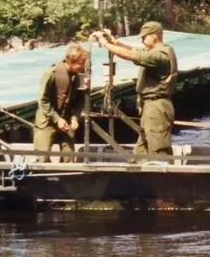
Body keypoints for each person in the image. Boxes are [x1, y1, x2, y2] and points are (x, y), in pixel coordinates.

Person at [91, 21, 177, 156]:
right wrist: (113, 41)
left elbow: (132, 56)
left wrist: (105, 44)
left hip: (157, 107)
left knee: (158, 148)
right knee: (142, 148)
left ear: (153, 36)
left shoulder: (160, 55)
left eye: (144, 37)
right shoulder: (155, 51)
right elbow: (133, 50)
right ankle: (141, 172)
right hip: (150, 106)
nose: (142, 41)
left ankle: (162, 174)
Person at [33, 43, 89, 161]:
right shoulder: (51, 74)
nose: (83, 66)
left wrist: (75, 117)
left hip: (67, 120)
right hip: (47, 120)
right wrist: (57, 119)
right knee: (42, 158)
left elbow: (80, 101)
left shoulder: (79, 77)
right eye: (80, 63)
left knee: (69, 157)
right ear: (70, 61)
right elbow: (43, 100)